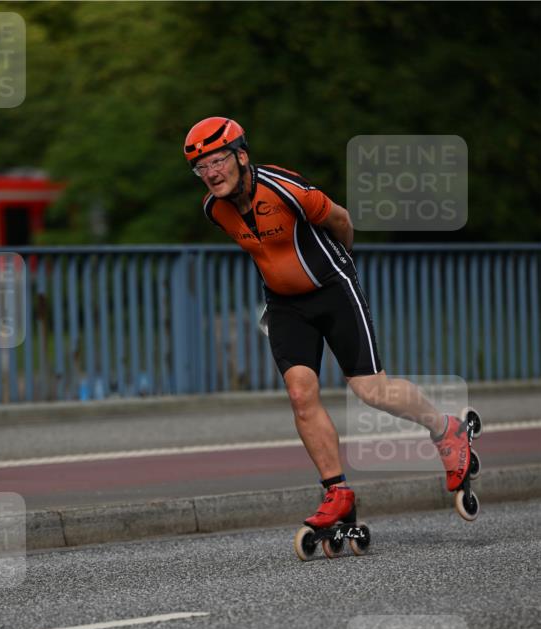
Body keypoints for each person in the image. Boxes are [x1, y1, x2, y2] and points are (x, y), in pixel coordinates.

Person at [184, 116, 473, 529]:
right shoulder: (216, 210)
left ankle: (446, 429)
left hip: (333, 290)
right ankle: (336, 491)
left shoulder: (285, 188)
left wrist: (341, 265)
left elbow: (341, 220)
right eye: (201, 168)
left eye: (217, 161)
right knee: (301, 395)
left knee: (371, 390)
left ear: (241, 156)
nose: (210, 174)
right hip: (284, 305)